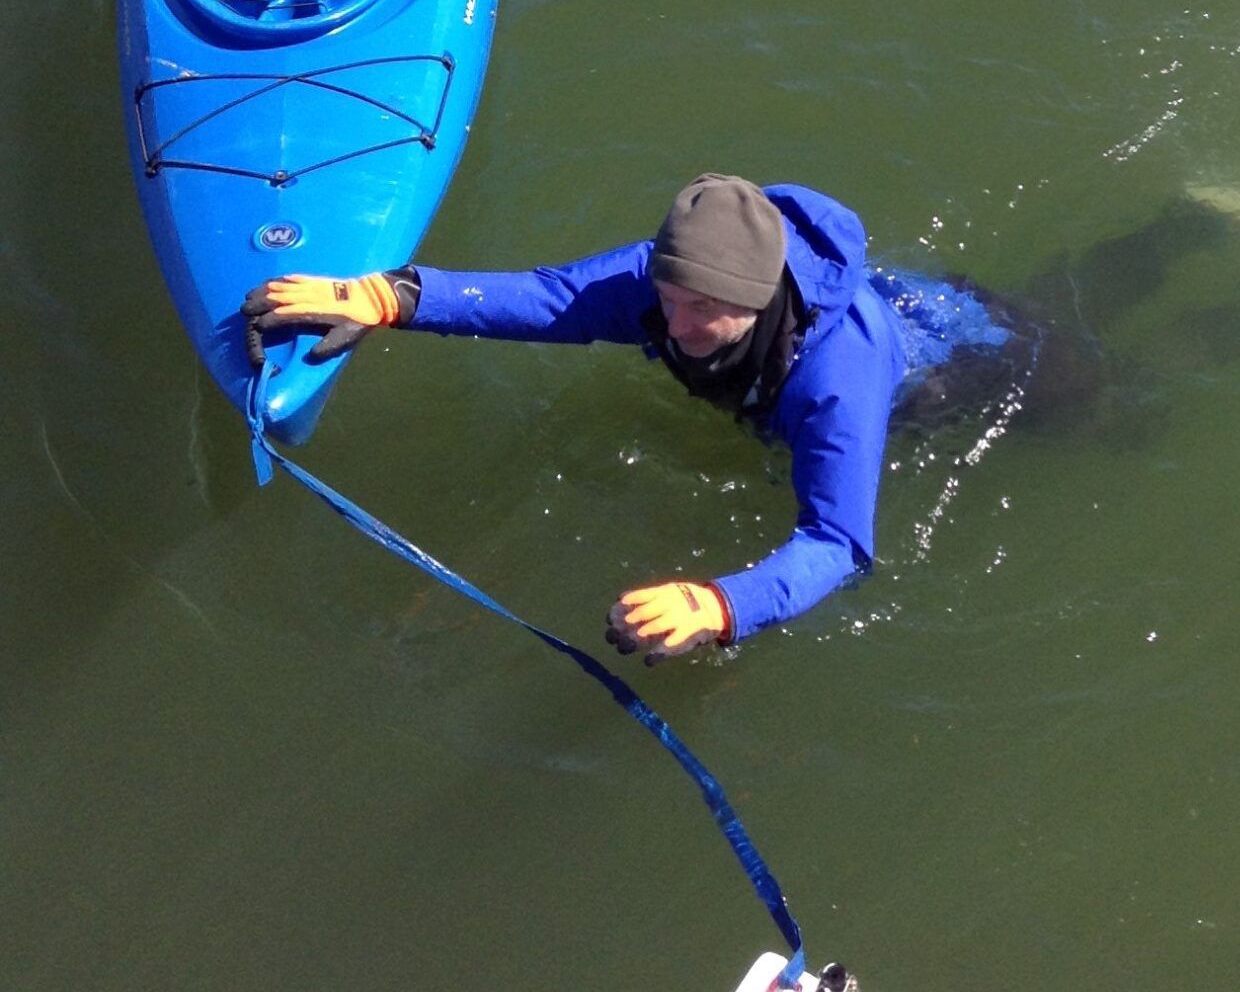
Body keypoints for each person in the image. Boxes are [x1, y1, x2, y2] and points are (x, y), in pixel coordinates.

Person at [243, 175, 1012, 663]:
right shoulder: (667, 278)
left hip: (964, 366)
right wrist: (394, 296)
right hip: (848, 339)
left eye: (701, 310)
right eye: (668, 301)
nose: (673, 326)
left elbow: (839, 543)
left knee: (1075, 395)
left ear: (754, 302)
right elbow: (551, 300)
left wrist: (723, 604)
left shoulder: (838, 384)